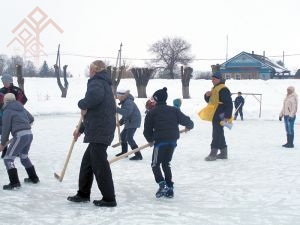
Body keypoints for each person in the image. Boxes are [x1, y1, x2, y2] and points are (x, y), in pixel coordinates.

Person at [67, 60, 117, 207]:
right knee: (87, 164)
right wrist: (80, 130)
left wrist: (82, 103)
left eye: (90, 69)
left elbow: (93, 99)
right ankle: (83, 193)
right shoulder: (105, 83)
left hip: (100, 131)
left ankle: (109, 198)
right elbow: (95, 112)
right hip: (100, 128)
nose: (89, 71)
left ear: (95, 69)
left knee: (100, 165)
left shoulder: (97, 82)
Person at [143, 87, 194, 198]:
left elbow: (147, 131)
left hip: (160, 142)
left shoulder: (152, 113)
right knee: (166, 163)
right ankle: (169, 187)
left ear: (156, 100)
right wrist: (189, 126)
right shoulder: (174, 110)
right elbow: (188, 121)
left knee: (155, 164)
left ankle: (162, 184)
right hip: (172, 141)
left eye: (153, 99)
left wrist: (150, 140)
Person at [0, 93, 39, 190]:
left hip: (20, 136)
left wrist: (2, 143)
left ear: (5, 101)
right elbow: (31, 118)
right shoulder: (21, 107)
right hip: (29, 134)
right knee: (24, 157)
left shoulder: (7, 111)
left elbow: (5, 129)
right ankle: (33, 178)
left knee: (8, 159)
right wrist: (25, 125)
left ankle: (14, 183)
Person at [199, 65, 233, 161]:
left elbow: (229, 104)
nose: (212, 80)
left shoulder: (223, 89)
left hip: (221, 115)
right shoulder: (215, 88)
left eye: (214, 79)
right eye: (212, 79)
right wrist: (206, 95)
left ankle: (213, 154)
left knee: (216, 133)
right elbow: (210, 101)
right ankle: (223, 153)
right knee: (219, 133)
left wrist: (227, 116)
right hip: (216, 114)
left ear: (219, 79)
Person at [0, 73, 28, 158]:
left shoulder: (16, 90)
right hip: (3, 114)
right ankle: (5, 150)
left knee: (17, 132)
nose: (4, 83)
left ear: (10, 81)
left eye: (5, 81)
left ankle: (17, 150)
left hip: (15, 116)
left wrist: (15, 107)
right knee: (4, 131)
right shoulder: (1, 91)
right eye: (2, 81)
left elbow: (24, 99)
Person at [115, 88, 143, 160]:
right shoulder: (125, 102)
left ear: (122, 96)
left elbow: (127, 113)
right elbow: (126, 114)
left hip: (133, 121)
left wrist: (116, 109)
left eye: (118, 96)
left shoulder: (128, 102)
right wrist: (121, 122)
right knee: (123, 136)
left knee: (129, 138)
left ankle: (138, 155)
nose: (117, 98)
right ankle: (124, 152)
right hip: (129, 121)